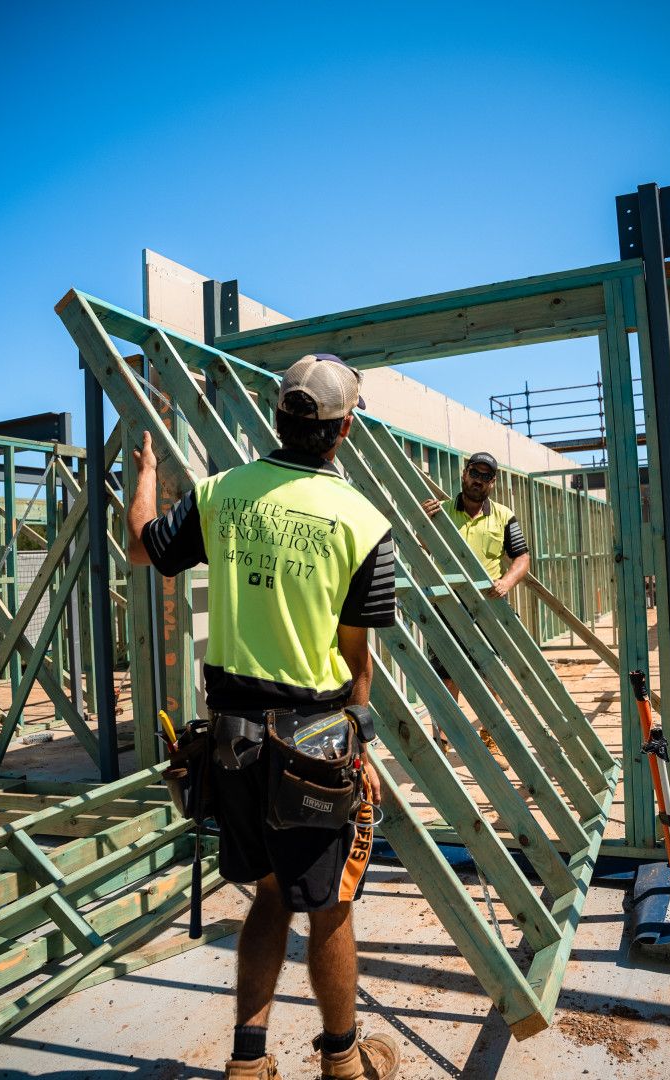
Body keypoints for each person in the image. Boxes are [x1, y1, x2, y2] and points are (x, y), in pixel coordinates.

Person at [127, 353, 399, 1080]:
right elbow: (356, 659)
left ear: (279, 416)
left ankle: (249, 1063)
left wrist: (145, 470)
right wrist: (359, 744)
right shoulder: (365, 521)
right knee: (331, 904)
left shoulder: (221, 494)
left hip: (235, 743)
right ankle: (343, 1061)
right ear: (343, 430)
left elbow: (145, 545)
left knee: (270, 895)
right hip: (314, 740)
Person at [420, 451, 531, 760]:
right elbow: (424, 545)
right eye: (474, 473)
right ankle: (443, 737)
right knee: (446, 673)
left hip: (489, 607)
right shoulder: (440, 511)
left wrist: (507, 582)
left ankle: (490, 736)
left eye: (486, 476)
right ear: (464, 474)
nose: (478, 481)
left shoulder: (504, 516)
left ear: (492, 483)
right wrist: (423, 522)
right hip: (447, 604)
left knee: (493, 672)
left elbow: (522, 557)